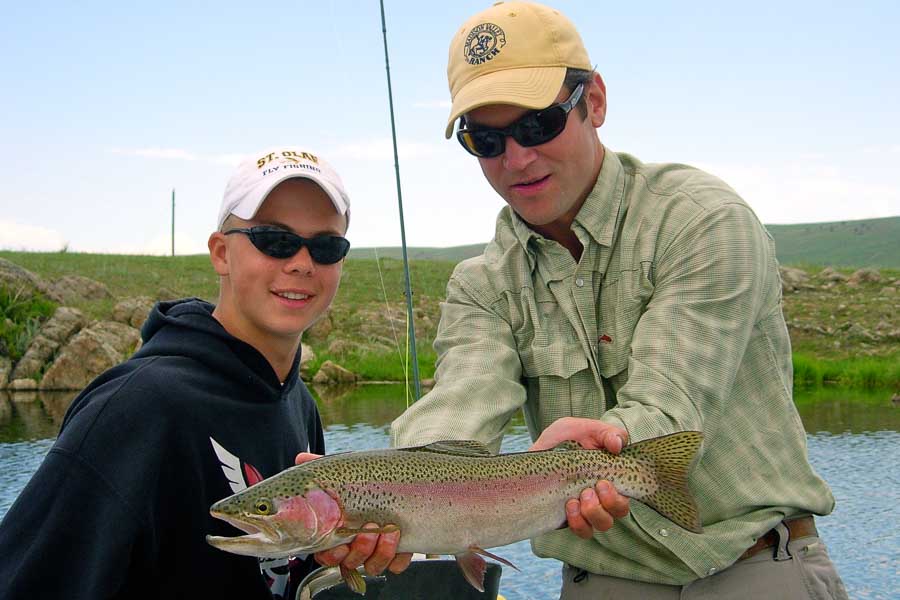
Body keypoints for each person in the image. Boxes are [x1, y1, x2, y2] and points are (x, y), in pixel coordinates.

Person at [388, 2, 849, 598]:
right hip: (602, 577)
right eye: (486, 139)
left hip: (754, 560)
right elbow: (458, 410)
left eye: (537, 125)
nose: (516, 158)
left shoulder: (702, 220)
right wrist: (384, 495)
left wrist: (588, 455)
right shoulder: (481, 283)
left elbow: (670, 405)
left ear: (595, 101)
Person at [0, 147, 354, 599]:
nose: (303, 262)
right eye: (275, 240)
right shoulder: (136, 406)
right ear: (221, 253)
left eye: (326, 246)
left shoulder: (299, 402)